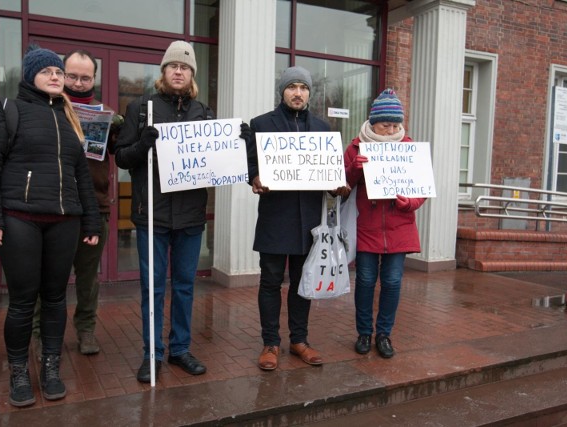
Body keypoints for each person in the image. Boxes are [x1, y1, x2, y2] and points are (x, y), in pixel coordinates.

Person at [0, 46, 101, 407]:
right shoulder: (9, 112)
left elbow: (81, 177)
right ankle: (18, 372)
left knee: (57, 297)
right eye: (47, 72)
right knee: (23, 302)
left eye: (58, 72)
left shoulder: (69, 117)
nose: (56, 77)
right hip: (20, 220)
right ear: (30, 76)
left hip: (64, 221)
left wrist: (90, 219)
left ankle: (50, 368)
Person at [115, 41, 250, 383]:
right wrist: (142, 144)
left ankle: (179, 349)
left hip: (190, 216)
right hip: (153, 214)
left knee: (186, 285)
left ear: (192, 75)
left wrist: (242, 144)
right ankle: (152, 353)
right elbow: (122, 157)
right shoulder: (141, 109)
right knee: (154, 287)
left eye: (185, 67)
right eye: (173, 66)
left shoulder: (204, 114)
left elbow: (220, 162)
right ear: (163, 72)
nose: (179, 71)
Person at [246, 66, 350, 371]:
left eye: (303, 88)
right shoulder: (261, 124)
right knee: (270, 282)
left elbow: (332, 174)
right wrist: (254, 177)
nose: (298, 93)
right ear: (282, 91)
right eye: (292, 86)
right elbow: (250, 164)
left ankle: (299, 340)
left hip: (308, 221)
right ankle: (270, 343)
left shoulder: (323, 129)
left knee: (303, 283)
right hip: (276, 217)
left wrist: (337, 185)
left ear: (309, 93)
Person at [31, 49, 123, 357]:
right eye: (72, 75)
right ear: (61, 74)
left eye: (86, 77)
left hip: (94, 208)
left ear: (95, 78)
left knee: (87, 277)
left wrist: (120, 136)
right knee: (48, 275)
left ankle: (86, 330)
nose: (79, 82)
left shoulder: (106, 114)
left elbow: (120, 154)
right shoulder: (43, 109)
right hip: (52, 205)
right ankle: (42, 331)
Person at [343, 88, 425, 359]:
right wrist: (356, 167)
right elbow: (341, 184)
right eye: (385, 124)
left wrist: (408, 203)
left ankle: (384, 334)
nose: (391, 130)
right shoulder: (356, 147)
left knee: (392, 282)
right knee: (365, 280)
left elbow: (420, 188)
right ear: (373, 122)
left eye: (395, 125)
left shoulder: (409, 147)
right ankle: (364, 333)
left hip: (399, 227)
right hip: (366, 226)